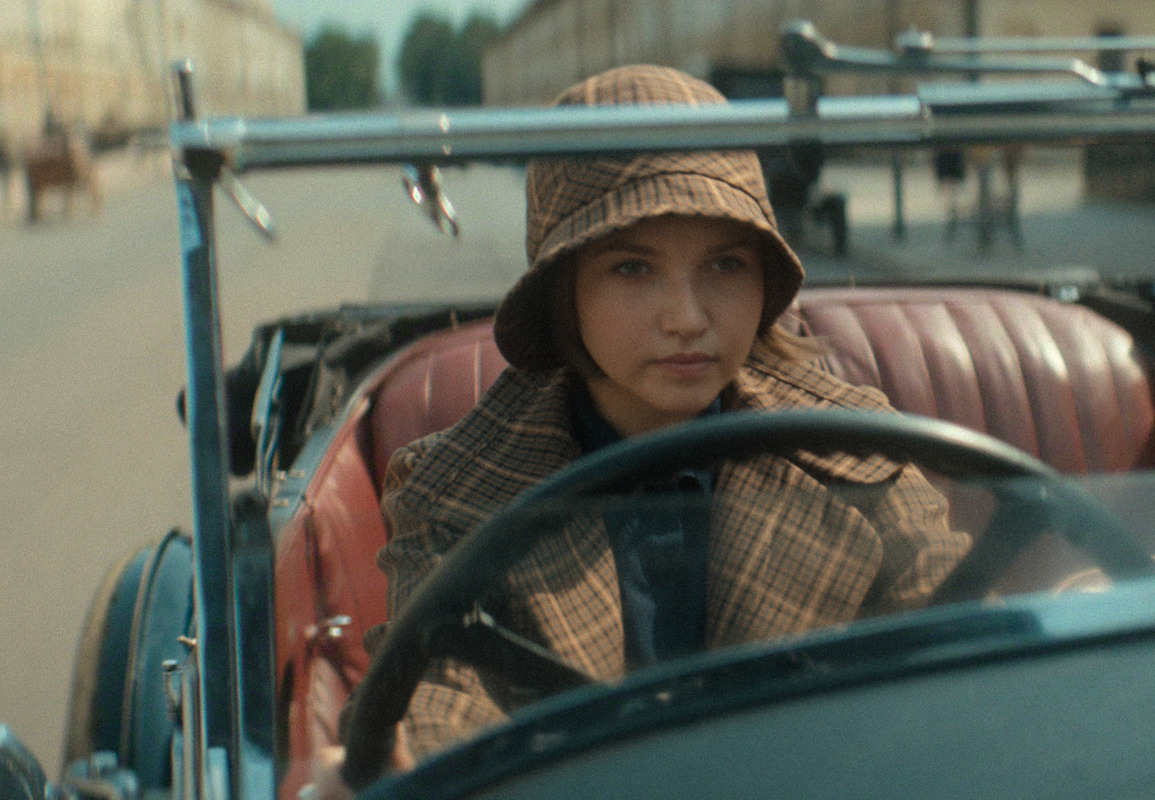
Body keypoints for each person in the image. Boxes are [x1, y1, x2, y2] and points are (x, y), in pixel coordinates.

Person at [331, 64, 969, 784]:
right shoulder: (456, 494)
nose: (687, 318)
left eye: (725, 265)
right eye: (633, 269)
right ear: (565, 289)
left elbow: (967, 638)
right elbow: (436, 696)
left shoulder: (856, 450)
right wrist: (411, 763)